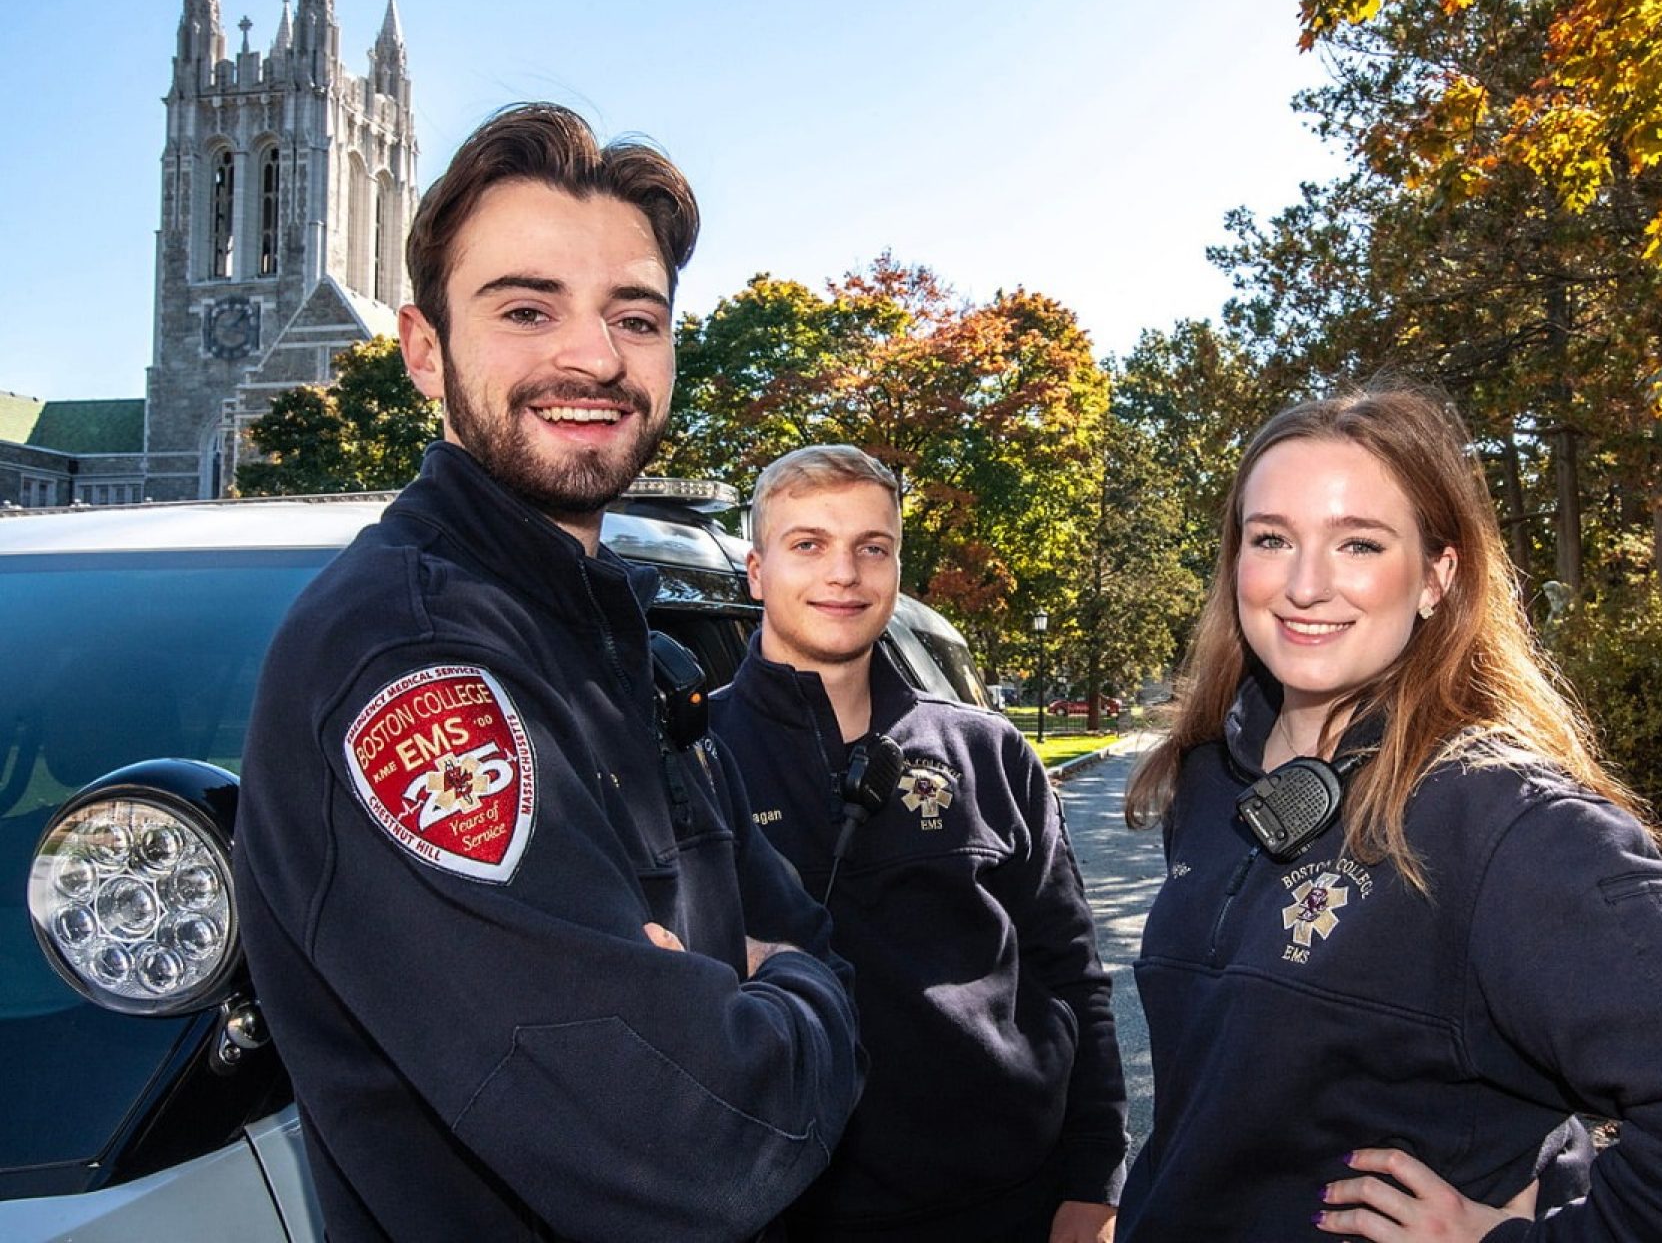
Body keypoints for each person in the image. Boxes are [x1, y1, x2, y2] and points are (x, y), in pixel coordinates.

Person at [233, 104, 863, 1243]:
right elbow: (693, 1139)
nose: (593, 355)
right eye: (528, 308)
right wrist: (787, 993)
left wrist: (758, 987)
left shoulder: (625, 651)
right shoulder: (404, 661)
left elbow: (807, 928)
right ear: (424, 349)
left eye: (635, 314)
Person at [1114, 387, 1662, 1241]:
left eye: (1360, 544)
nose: (1305, 584)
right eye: (1271, 539)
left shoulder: (1506, 822)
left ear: (1437, 577)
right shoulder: (1211, 780)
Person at [708, 445, 1129, 1242]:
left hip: (1014, 1201)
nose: (846, 574)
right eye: (809, 545)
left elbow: (1074, 972)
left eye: (873, 548)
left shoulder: (991, 752)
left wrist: (1095, 1177)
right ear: (757, 571)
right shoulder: (689, 762)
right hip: (787, 1214)